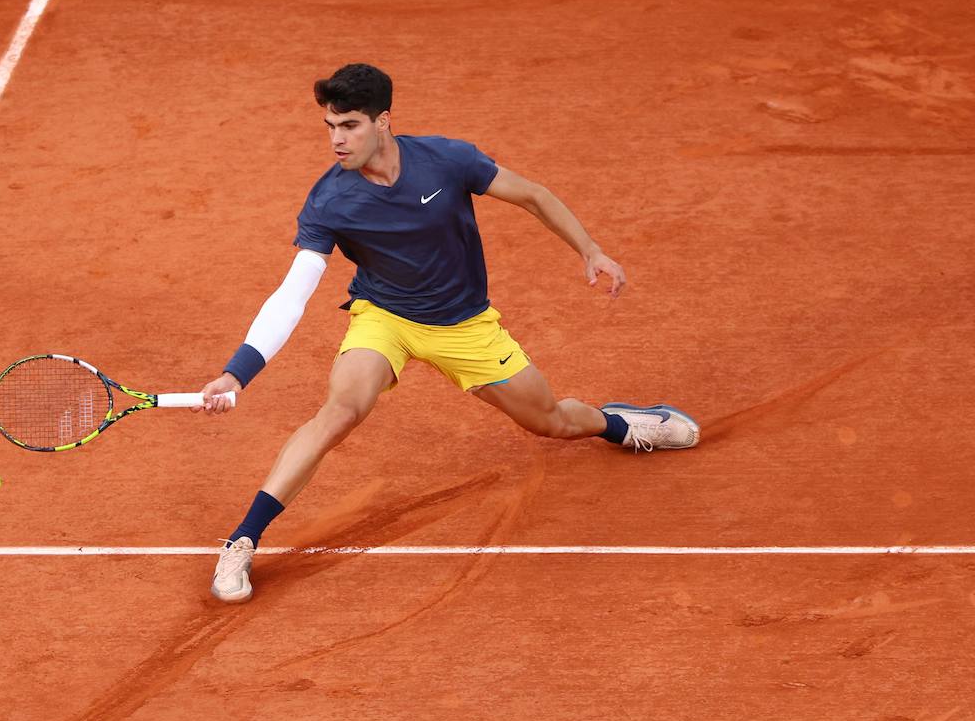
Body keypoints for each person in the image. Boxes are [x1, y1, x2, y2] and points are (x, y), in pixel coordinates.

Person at [195, 63, 698, 604]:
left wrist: (590, 250)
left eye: (350, 125)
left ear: (383, 121)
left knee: (550, 421)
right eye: (329, 126)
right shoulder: (330, 200)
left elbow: (532, 195)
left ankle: (617, 423)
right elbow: (292, 294)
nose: (337, 140)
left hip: (464, 324)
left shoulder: (447, 160)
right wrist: (237, 372)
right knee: (339, 411)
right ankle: (244, 538)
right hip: (385, 317)